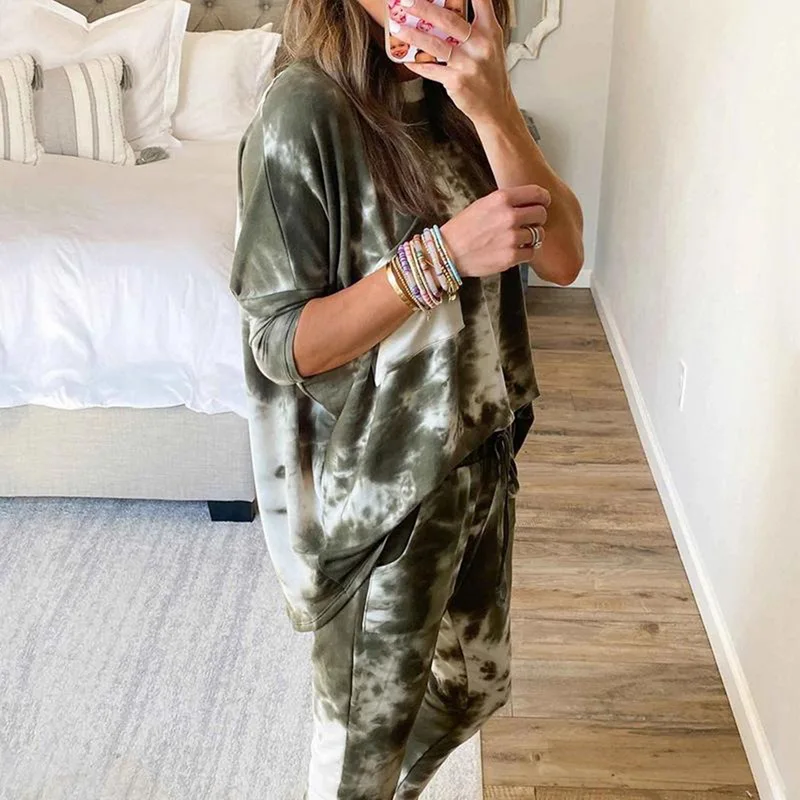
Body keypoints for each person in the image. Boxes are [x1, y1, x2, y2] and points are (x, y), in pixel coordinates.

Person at [229, 0, 584, 797]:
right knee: (360, 759)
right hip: (380, 490)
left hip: (481, 459)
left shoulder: (470, 102)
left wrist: (494, 109)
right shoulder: (306, 109)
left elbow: (563, 256)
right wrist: (441, 258)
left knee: (470, 693)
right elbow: (281, 342)